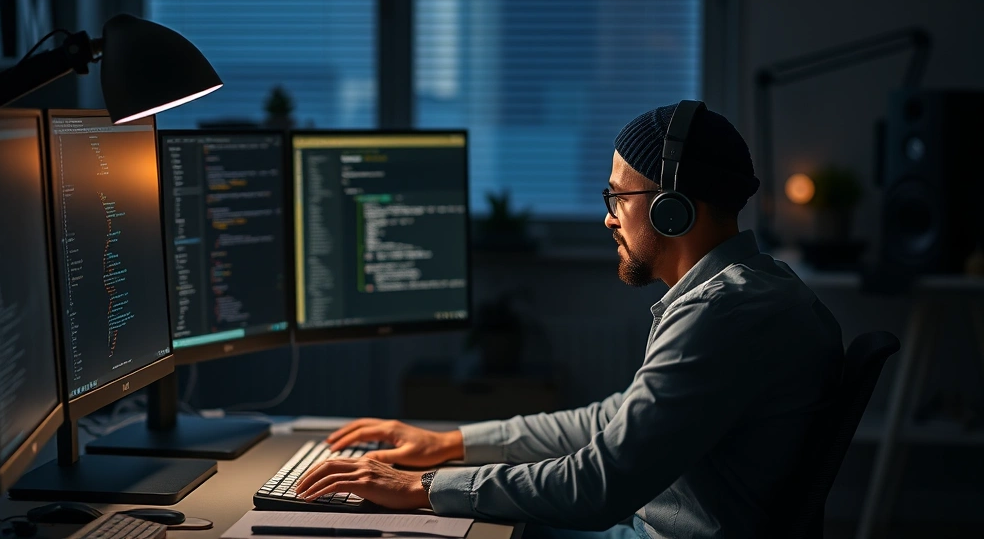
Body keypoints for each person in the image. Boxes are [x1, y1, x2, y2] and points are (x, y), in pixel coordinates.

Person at [295, 101, 844, 539]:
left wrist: (425, 487)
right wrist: (448, 443)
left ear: (671, 209)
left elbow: (597, 485)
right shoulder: (753, 288)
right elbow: (612, 419)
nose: (608, 217)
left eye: (618, 196)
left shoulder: (722, 312)